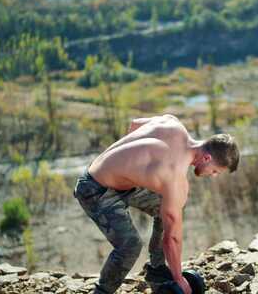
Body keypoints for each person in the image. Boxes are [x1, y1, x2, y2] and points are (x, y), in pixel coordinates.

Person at [73, 114, 240, 294]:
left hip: (116, 181)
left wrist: (131, 166)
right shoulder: (175, 179)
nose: (213, 175)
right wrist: (178, 278)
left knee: (167, 204)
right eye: (215, 171)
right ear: (207, 158)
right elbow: (172, 239)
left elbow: (135, 124)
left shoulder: (171, 123)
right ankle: (101, 292)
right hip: (94, 190)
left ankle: (157, 270)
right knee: (130, 246)